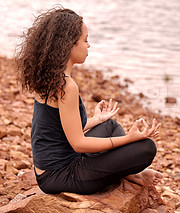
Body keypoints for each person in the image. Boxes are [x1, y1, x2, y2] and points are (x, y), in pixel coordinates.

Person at [15, 7, 163, 195]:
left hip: (54, 169)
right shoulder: (66, 86)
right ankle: (130, 174)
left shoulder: (48, 78)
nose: (89, 45)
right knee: (146, 147)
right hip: (61, 176)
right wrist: (128, 139)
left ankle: (126, 173)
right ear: (69, 45)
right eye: (85, 40)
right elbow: (78, 144)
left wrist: (95, 120)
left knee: (109, 126)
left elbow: (58, 131)